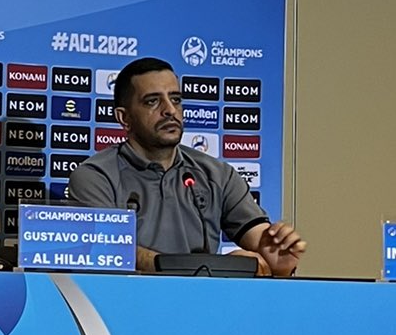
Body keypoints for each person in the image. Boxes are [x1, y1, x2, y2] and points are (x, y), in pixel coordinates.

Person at [66, 56, 304, 276]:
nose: (170, 110)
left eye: (176, 99)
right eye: (152, 101)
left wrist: (276, 256)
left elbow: (260, 240)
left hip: (203, 304)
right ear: (124, 118)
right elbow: (109, 252)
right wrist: (221, 267)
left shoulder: (217, 174)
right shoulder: (96, 176)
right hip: (123, 303)